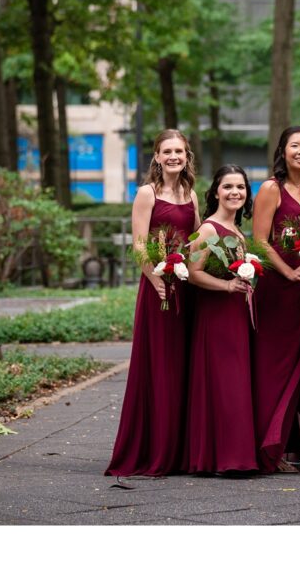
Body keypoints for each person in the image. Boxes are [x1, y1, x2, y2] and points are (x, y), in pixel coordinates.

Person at [106, 130, 200, 478]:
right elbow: (140, 245)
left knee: (183, 366)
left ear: (186, 155)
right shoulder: (147, 193)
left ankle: (181, 450)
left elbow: (196, 241)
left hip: (186, 289)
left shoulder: (190, 195)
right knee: (160, 367)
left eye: (179, 151)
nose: (173, 156)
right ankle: (155, 449)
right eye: (167, 151)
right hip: (158, 290)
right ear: (156, 157)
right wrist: (156, 277)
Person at [251, 126, 300, 473]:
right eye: (295, 145)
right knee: (274, 367)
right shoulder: (270, 189)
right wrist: (288, 272)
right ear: (283, 150)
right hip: (277, 290)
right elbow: (260, 241)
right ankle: (268, 448)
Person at [183, 165, 259, 474]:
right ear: (216, 192)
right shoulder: (209, 229)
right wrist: (227, 286)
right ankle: (221, 457)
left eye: (240, 187)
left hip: (237, 314)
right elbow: (192, 272)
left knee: (235, 383)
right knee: (223, 383)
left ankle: (236, 455)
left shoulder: (239, 232)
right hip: (216, 315)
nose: (235, 193)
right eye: (228, 187)